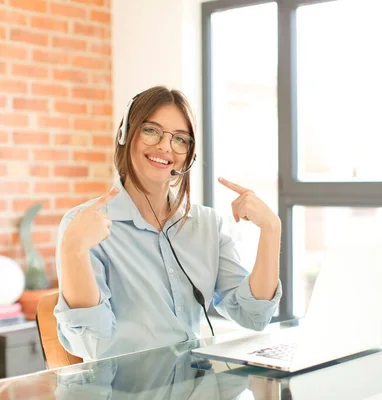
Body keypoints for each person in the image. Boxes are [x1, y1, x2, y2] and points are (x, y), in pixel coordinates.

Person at [53, 86, 282, 361]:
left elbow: (253, 316)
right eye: (151, 130)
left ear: (189, 154)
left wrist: (271, 230)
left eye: (180, 139)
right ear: (127, 134)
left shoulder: (207, 225)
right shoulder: (85, 226)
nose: (165, 146)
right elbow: (91, 345)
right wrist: (73, 251)